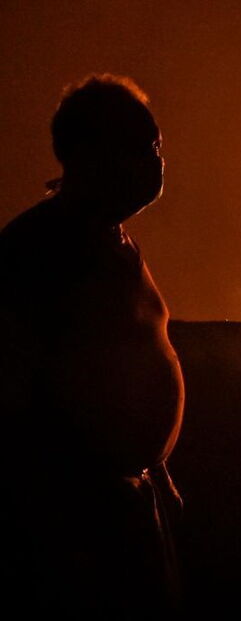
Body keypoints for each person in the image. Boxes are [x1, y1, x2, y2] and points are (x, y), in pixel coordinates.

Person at [0, 74, 184, 616]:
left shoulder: (115, 242)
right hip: (73, 521)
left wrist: (157, 469)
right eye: (143, 146)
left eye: (157, 146)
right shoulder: (40, 249)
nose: (157, 161)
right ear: (92, 154)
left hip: (123, 504)